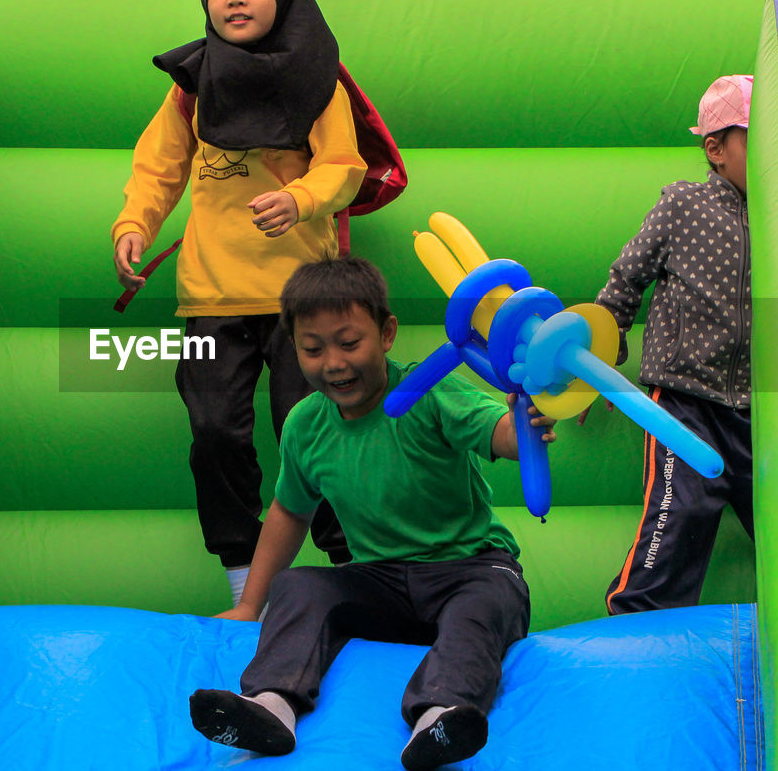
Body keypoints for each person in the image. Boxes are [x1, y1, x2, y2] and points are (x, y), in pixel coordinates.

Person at [188, 257, 554, 770]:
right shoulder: (306, 423)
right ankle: (271, 705)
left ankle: (439, 715)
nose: (332, 363)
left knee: (489, 599)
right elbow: (290, 513)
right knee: (300, 586)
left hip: (468, 568)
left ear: (386, 334)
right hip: (378, 580)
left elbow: (501, 434)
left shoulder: (427, 389)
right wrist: (250, 606)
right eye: (312, 349)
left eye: (348, 342)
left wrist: (533, 416)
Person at [111, 0, 366, 603]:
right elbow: (159, 166)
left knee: (313, 424)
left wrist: (300, 197)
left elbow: (344, 167)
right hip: (210, 294)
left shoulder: (319, 79)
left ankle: (352, 569)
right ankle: (242, 574)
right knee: (213, 431)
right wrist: (134, 225)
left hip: (302, 297)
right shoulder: (192, 83)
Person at [587, 74, 754, 615]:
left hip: (761, 409)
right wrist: (601, 364)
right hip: (684, 403)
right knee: (676, 515)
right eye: (759, 141)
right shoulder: (683, 205)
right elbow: (625, 280)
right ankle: (636, 619)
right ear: (716, 148)